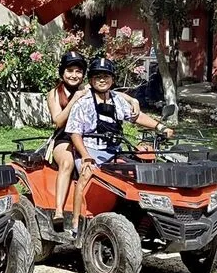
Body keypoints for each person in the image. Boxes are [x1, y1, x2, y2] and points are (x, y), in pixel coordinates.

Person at [66, 56, 174, 238]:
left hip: (114, 151)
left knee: (139, 173)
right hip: (90, 150)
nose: (102, 79)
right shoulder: (83, 103)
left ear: (112, 79)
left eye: (106, 76)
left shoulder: (117, 100)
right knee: (86, 173)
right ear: (91, 80)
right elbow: (75, 133)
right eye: (97, 76)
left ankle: (140, 218)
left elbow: (136, 117)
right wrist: (85, 155)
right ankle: (76, 223)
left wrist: (160, 126)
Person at [46, 50, 88, 230]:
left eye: (78, 71)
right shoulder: (54, 93)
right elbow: (58, 121)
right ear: (62, 72)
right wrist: (75, 100)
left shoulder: (88, 90)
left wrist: (132, 100)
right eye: (70, 70)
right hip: (63, 137)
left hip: (86, 137)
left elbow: (113, 95)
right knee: (67, 163)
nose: (74, 75)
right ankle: (58, 211)